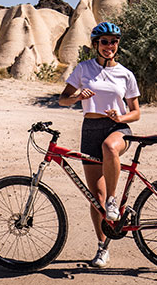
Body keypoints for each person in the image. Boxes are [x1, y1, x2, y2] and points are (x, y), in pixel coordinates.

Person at [57, 22, 141, 268]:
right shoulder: (83, 69)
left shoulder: (126, 74)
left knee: (110, 148)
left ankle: (114, 201)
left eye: (113, 42)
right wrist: (77, 97)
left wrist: (120, 118)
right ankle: (103, 248)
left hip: (117, 129)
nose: (109, 46)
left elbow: (135, 112)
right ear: (96, 44)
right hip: (90, 130)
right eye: (104, 41)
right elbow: (62, 100)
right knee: (96, 198)